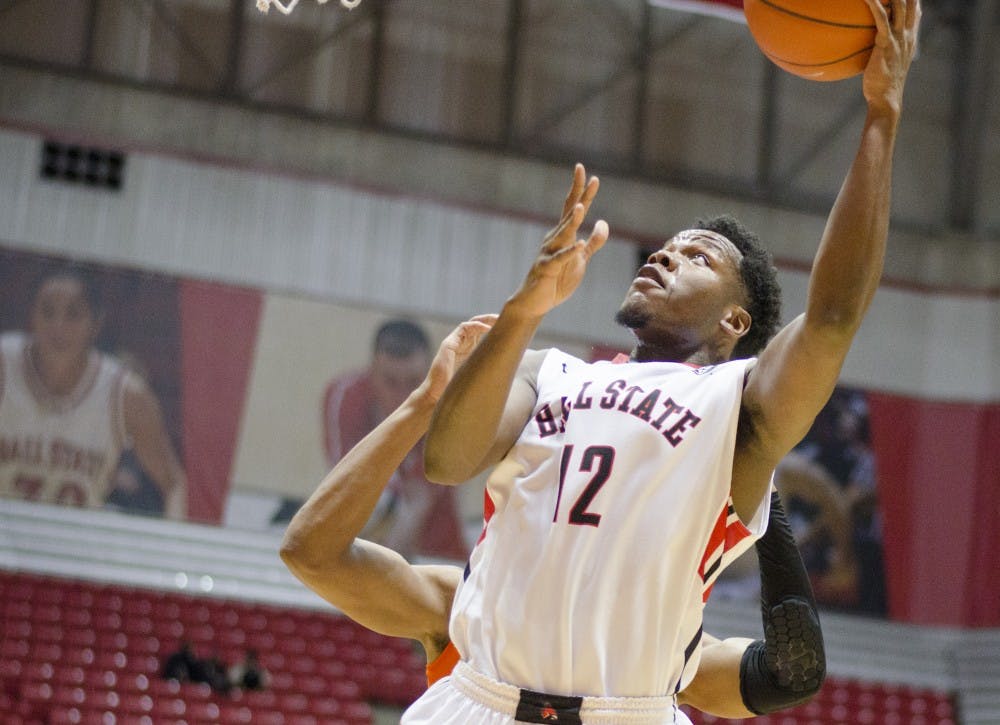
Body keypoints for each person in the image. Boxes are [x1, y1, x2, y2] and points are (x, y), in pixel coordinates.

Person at [408, 1, 919, 722]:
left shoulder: (741, 405)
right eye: (665, 247)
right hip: (477, 700)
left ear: (736, 320)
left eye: (697, 255)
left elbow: (834, 317)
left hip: (628, 710)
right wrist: (524, 309)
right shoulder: (551, 368)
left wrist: (881, 117)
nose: (666, 253)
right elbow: (447, 459)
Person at [281, 316, 825, 720]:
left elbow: (788, 672)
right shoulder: (460, 602)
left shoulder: (658, 649)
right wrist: (422, 405)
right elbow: (310, 552)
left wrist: (754, 464)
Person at [0, 264, 187, 518]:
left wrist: (171, 550)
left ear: (95, 323)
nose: (58, 325)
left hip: (75, 545)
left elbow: (173, 483)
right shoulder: (5, 364)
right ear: (32, 316)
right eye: (47, 312)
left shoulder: (125, 393)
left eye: (73, 314)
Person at [320, 318, 466, 560]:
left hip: (437, 555)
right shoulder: (344, 397)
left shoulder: (447, 411)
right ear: (371, 374)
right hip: (369, 550)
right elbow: (344, 484)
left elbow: (417, 504)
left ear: (432, 376)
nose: (402, 396)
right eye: (390, 382)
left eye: (413, 382)